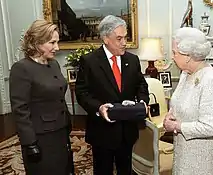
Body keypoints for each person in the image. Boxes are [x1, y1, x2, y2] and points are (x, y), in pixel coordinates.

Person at [75, 15, 149, 175]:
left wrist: (142, 102)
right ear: (106, 39)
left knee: (125, 170)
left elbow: (141, 85)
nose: (124, 43)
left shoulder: (133, 60)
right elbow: (82, 93)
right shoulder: (90, 61)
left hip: (127, 130)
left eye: (126, 37)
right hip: (102, 131)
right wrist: (98, 107)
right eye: (119, 38)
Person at [9, 19, 74, 175]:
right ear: (36, 41)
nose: (57, 48)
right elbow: (20, 110)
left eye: (57, 42)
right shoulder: (22, 69)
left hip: (60, 130)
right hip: (41, 137)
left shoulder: (54, 64)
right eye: (52, 43)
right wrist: (29, 143)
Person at [163, 27, 213, 175]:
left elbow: (210, 127)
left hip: (201, 156)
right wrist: (170, 115)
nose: (172, 57)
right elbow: (179, 102)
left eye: (174, 53)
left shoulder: (211, 80)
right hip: (183, 150)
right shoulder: (186, 73)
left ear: (188, 56)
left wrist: (176, 125)